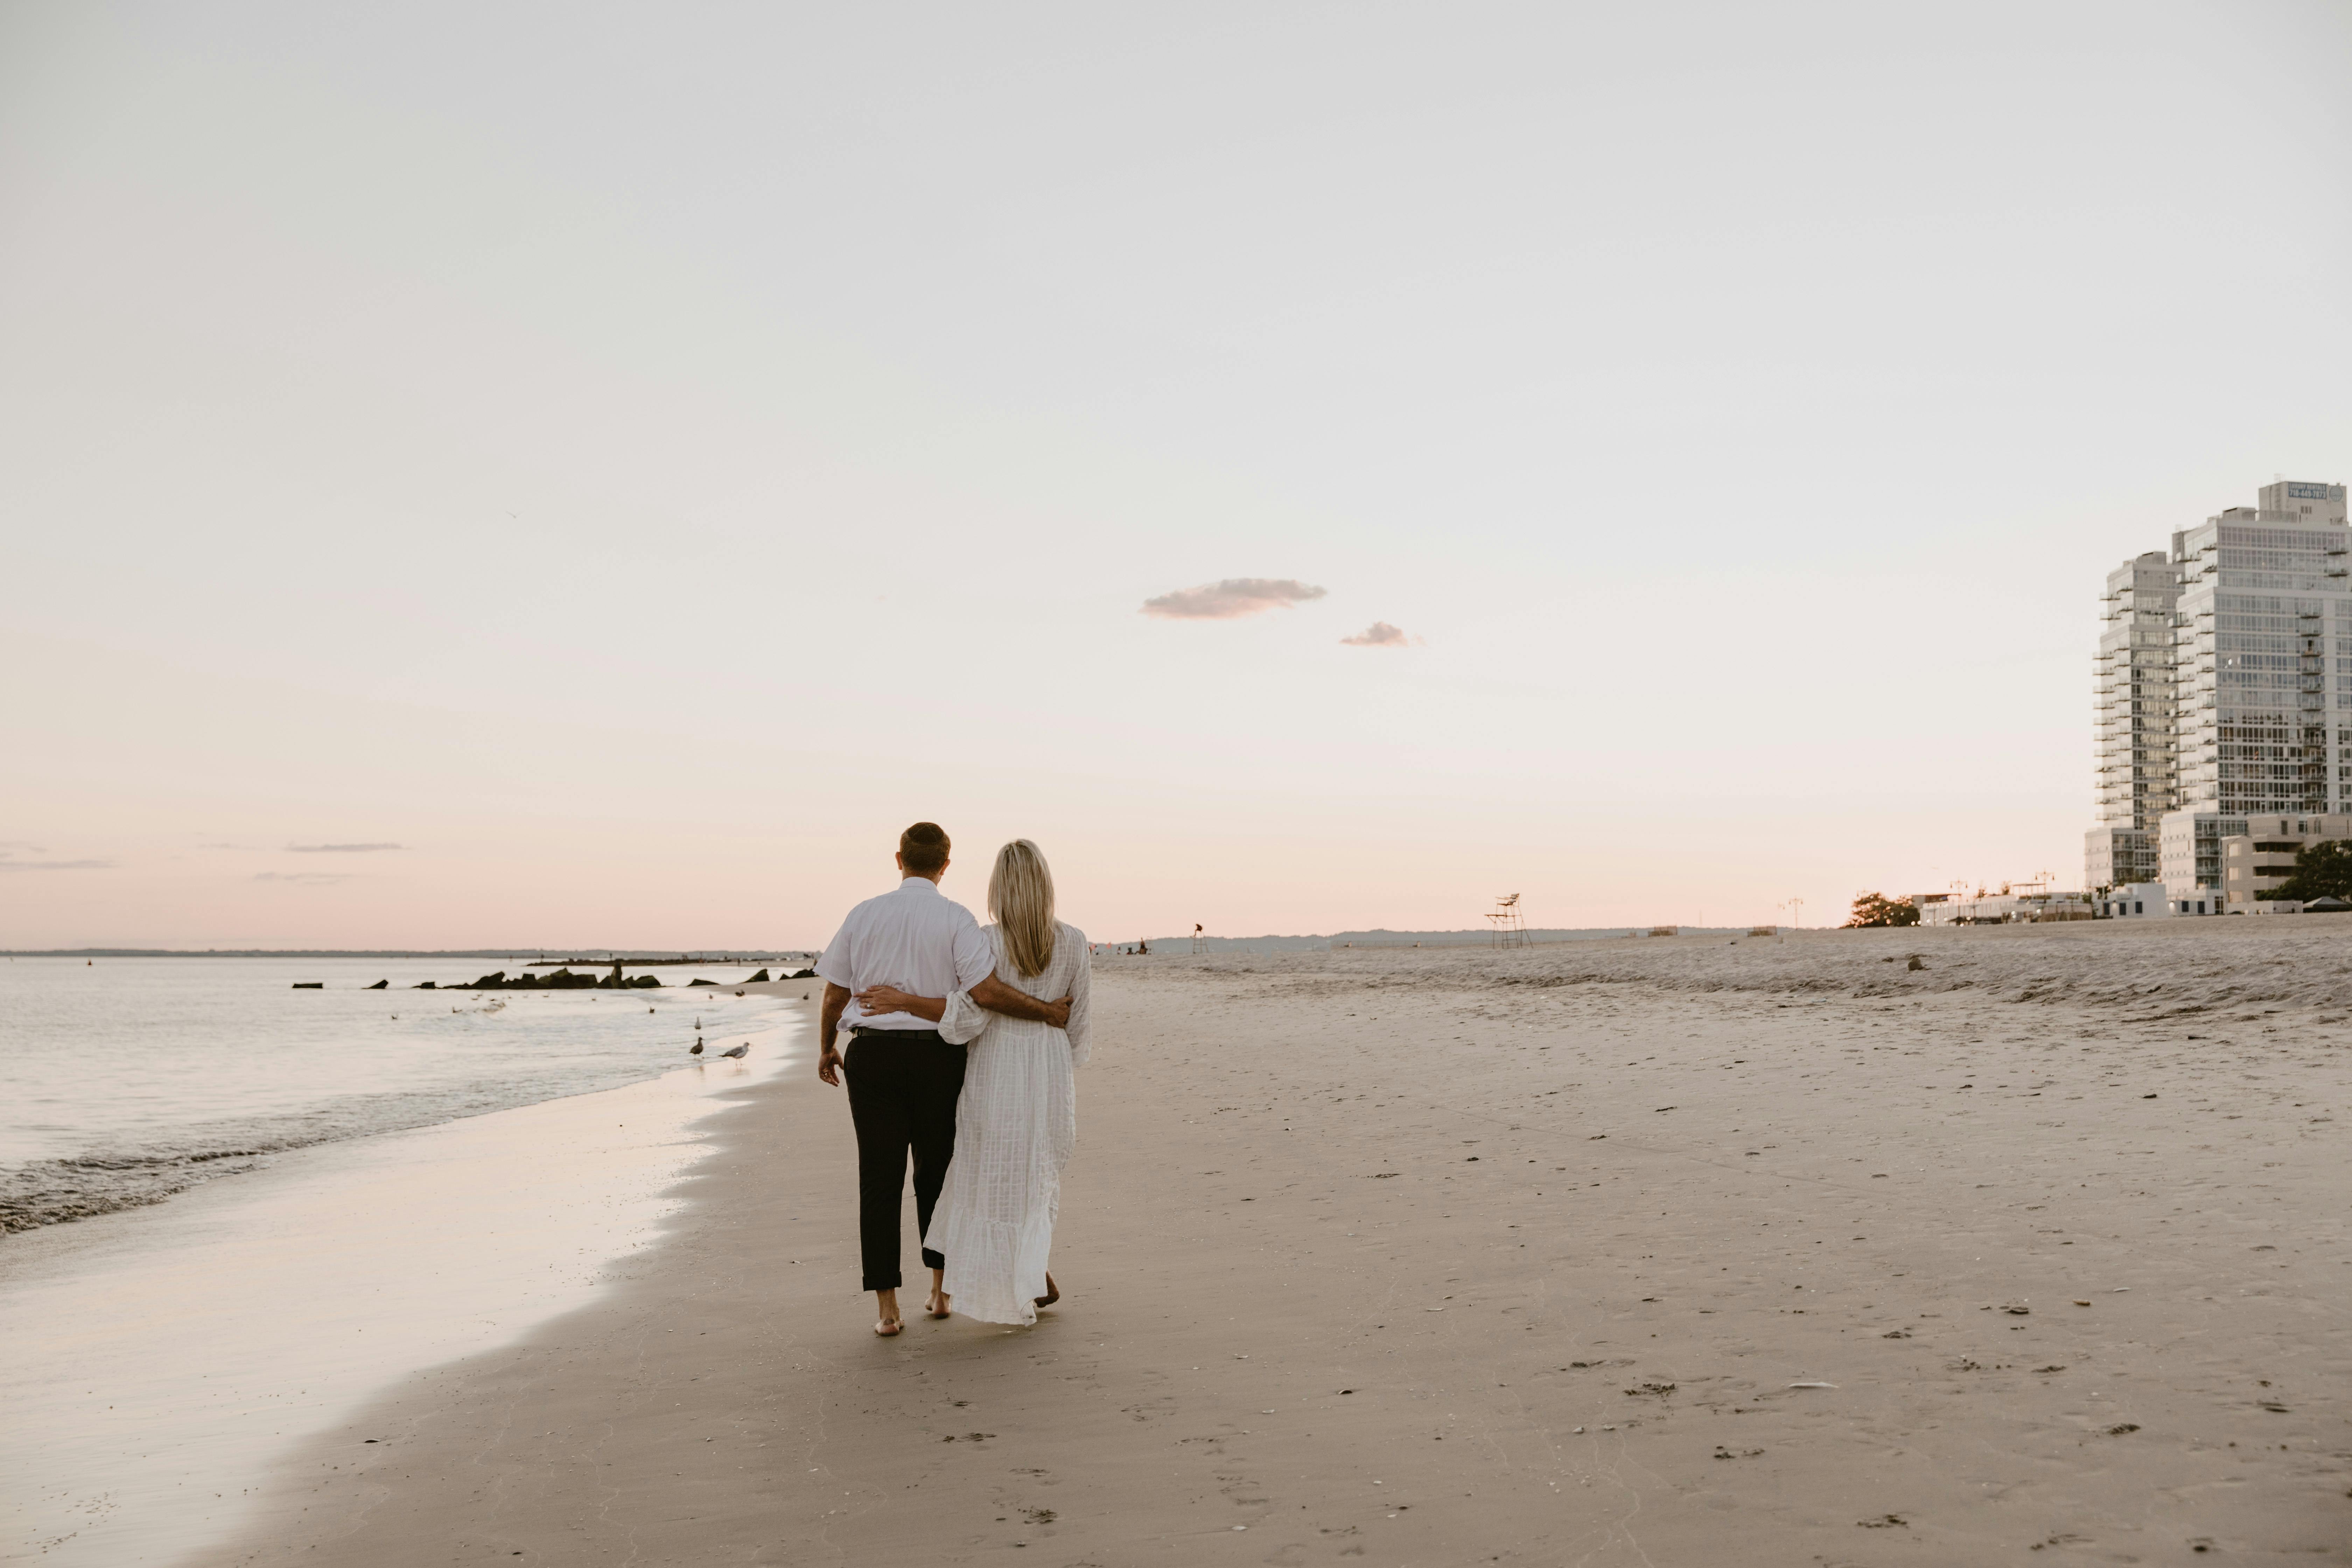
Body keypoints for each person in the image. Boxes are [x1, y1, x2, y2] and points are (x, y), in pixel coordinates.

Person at [814, 822, 1070, 1337]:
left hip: (874, 1058)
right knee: (936, 1174)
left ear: (899, 859)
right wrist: (1048, 1012)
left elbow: (834, 993)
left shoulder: (862, 914)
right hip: (938, 1057)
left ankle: (887, 1307)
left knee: (879, 1181)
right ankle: (939, 1291)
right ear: (946, 864)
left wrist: (827, 1047)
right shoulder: (957, 919)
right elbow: (985, 993)